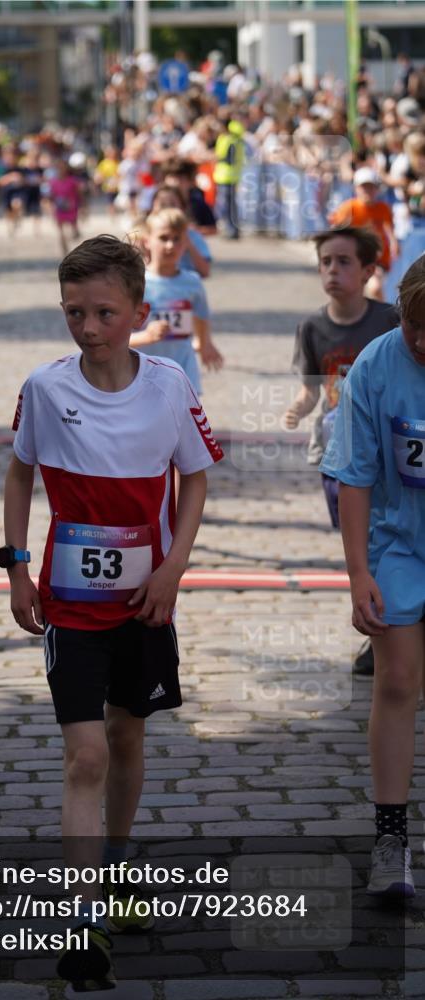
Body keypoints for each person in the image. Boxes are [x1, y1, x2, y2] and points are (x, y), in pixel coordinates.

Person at [3, 235, 223, 990]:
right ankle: (80, 920)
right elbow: (19, 473)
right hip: (69, 603)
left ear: (137, 311)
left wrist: (172, 566)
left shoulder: (166, 387)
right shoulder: (43, 387)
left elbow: (194, 481)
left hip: (143, 603)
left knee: (126, 737)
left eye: (103, 312)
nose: (88, 327)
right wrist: (15, 568)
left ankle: (118, 869)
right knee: (86, 754)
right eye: (73, 312)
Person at [319, 253, 424, 900]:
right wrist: (357, 572)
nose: (423, 343)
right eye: (416, 328)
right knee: (398, 682)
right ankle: (389, 838)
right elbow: (353, 475)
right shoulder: (376, 366)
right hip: (396, 542)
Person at [282, 226, 400, 675]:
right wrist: (297, 409)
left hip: (386, 455)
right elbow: (312, 389)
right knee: (359, 543)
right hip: (337, 453)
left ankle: (387, 631)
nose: (333, 270)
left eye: (344, 261)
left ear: (369, 270)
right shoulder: (312, 327)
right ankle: (380, 617)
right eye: (326, 262)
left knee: (380, 540)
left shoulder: (390, 320)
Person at [130, 208, 223, 396]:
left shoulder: (192, 282)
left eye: (177, 238)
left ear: (186, 242)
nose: (171, 245)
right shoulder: (135, 283)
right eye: (163, 238)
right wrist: (146, 337)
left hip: (183, 371)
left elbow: (201, 316)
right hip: (142, 374)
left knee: (182, 423)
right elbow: (116, 337)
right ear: (147, 240)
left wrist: (205, 344)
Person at [329, 167, 399, 301]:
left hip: (377, 258)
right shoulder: (348, 208)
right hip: (353, 257)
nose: (368, 191)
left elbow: (389, 228)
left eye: (371, 187)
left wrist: (394, 243)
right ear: (356, 188)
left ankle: (386, 317)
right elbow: (335, 230)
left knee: (375, 287)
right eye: (364, 187)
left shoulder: (383, 208)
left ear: (377, 189)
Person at [213, 111, 244, 239]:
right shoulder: (238, 140)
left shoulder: (225, 139)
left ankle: (228, 229)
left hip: (224, 175)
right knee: (232, 205)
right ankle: (234, 229)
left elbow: (220, 156)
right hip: (234, 175)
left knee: (224, 204)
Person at [49, 157, 81, 254]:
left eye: (63, 168)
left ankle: (73, 235)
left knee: (74, 231)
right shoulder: (53, 182)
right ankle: (64, 250)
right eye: (59, 168)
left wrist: (82, 206)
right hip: (59, 208)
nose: (61, 170)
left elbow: (79, 194)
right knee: (61, 231)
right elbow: (51, 196)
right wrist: (50, 207)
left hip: (71, 207)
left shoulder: (72, 181)